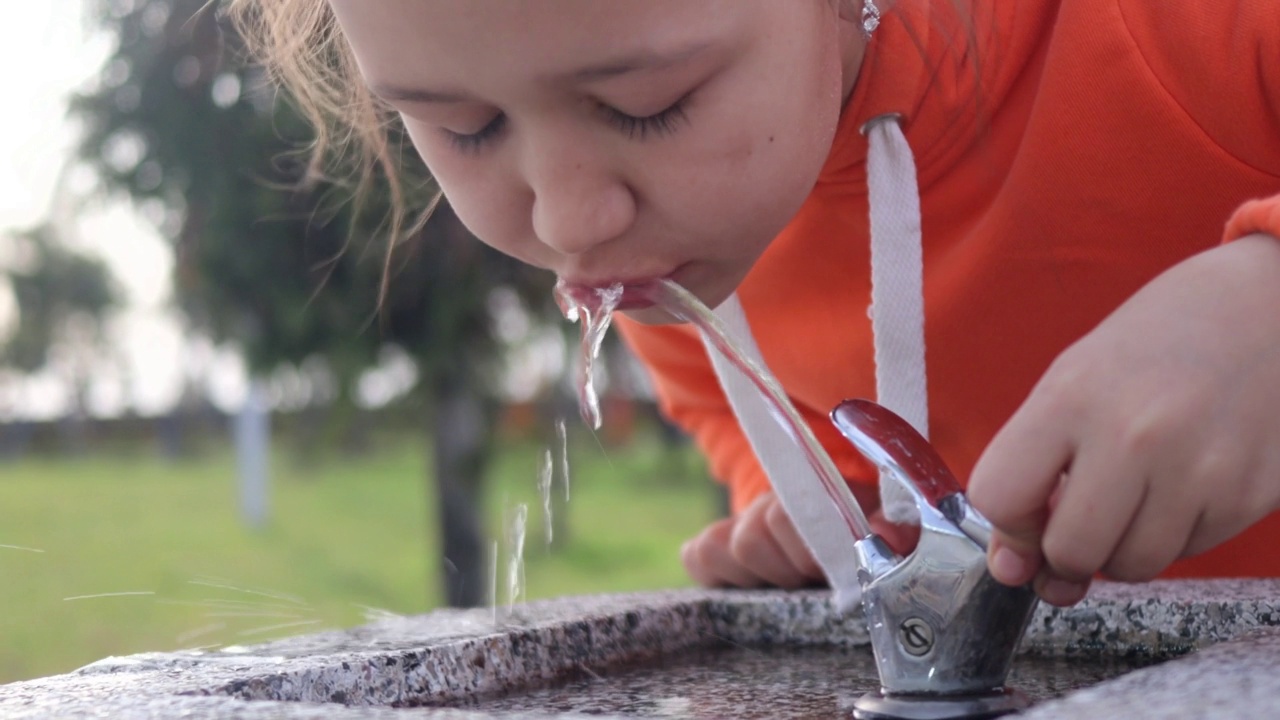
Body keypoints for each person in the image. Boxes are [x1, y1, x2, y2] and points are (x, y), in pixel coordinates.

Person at [228, 0, 1280, 607]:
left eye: (649, 106)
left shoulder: (1171, 29)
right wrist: (804, 520)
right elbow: (729, 414)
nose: (571, 217)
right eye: (463, 128)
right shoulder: (684, 258)